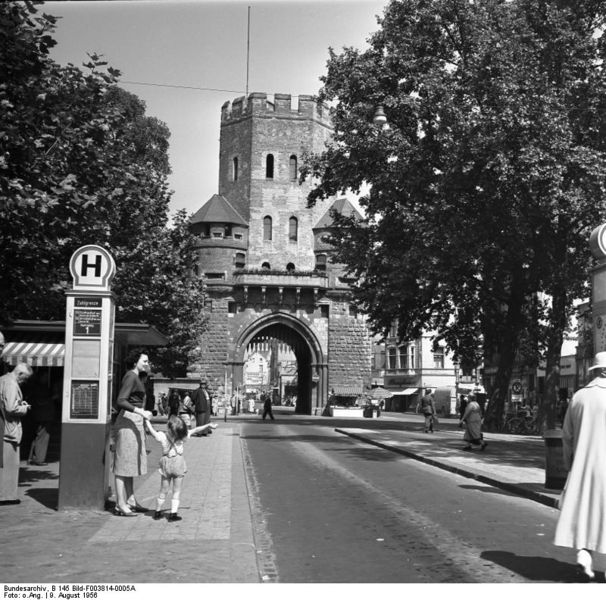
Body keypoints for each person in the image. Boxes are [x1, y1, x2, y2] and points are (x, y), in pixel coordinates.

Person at [554, 352, 606, 581]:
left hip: (584, 466)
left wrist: (569, 464)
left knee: (587, 510)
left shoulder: (579, 397)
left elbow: (567, 435)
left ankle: (584, 555)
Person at [145, 415, 217, 521]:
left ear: (169, 428)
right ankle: (173, 514)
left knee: (163, 489)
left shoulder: (163, 436)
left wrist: (146, 420)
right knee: (176, 490)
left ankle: (157, 511)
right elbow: (196, 429)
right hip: (178, 463)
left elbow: (152, 431)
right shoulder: (183, 437)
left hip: (166, 463)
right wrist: (209, 425)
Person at [112, 349, 153, 517]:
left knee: (130, 463)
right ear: (135, 361)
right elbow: (121, 400)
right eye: (144, 361)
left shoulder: (136, 376)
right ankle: (120, 503)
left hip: (133, 421)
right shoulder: (130, 376)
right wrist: (141, 412)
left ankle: (130, 500)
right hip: (128, 421)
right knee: (123, 464)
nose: (147, 363)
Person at [0, 362, 33, 504]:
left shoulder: (3, 379)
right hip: (9, 428)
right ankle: (7, 496)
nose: (25, 381)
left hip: (3, 426)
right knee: (10, 463)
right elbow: (10, 408)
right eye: (25, 378)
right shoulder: (12, 384)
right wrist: (24, 408)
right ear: (19, 374)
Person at [28, 378, 60, 466]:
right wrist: (52, 398)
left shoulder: (36, 388)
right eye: (45, 376)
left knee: (37, 437)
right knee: (42, 437)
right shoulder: (40, 389)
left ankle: (32, 458)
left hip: (39, 416)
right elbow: (40, 402)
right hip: (44, 416)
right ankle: (39, 459)